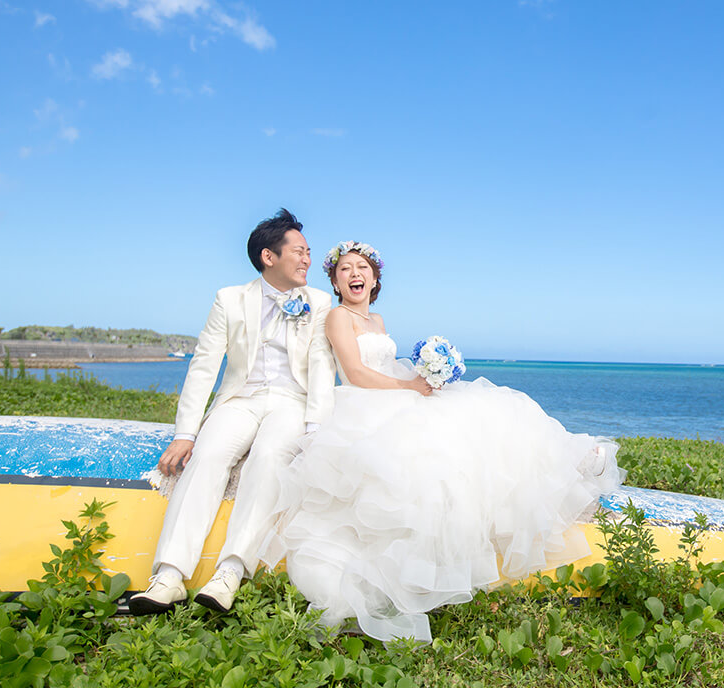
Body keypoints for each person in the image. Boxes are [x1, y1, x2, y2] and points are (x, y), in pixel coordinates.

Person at [256, 241, 623, 642]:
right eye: (345, 269)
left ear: (375, 278)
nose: (354, 274)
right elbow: (357, 373)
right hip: (366, 404)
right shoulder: (337, 317)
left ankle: (574, 458)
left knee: (489, 408)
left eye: (362, 267)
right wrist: (409, 387)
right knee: (440, 448)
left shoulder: (377, 320)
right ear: (335, 280)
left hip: (396, 390)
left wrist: (427, 378)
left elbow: (384, 366)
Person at [129, 209, 335, 615]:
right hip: (240, 398)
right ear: (268, 257)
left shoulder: (320, 302)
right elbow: (204, 365)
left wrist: (315, 428)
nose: (308, 259)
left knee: (270, 456)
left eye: (309, 251)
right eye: (299, 251)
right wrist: (185, 432)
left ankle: (230, 571)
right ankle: (169, 575)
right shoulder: (229, 299)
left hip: (292, 401)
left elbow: (322, 368)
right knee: (206, 456)